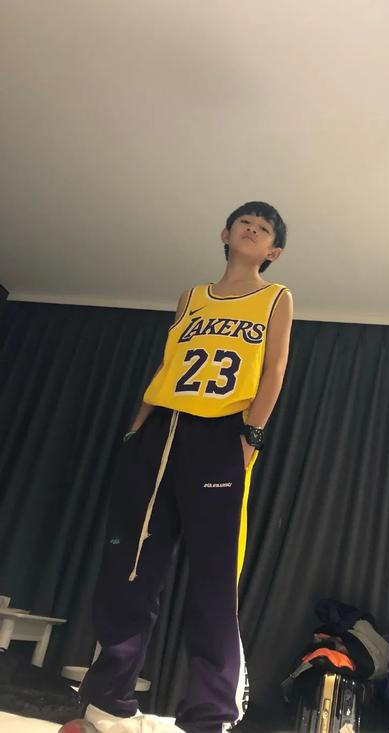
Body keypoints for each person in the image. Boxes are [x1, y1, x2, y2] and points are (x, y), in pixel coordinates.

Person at [61, 202, 293, 733]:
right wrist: (136, 427)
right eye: (244, 223)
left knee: (214, 577)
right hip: (161, 427)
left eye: (264, 229)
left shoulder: (276, 297)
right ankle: (108, 703)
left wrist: (251, 436)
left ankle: (210, 716)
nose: (252, 229)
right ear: (225, 234)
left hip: (221, 433)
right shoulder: (191, 297)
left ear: (273, 251)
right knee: (131, 564)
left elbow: (274, 369)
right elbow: (167, 365)